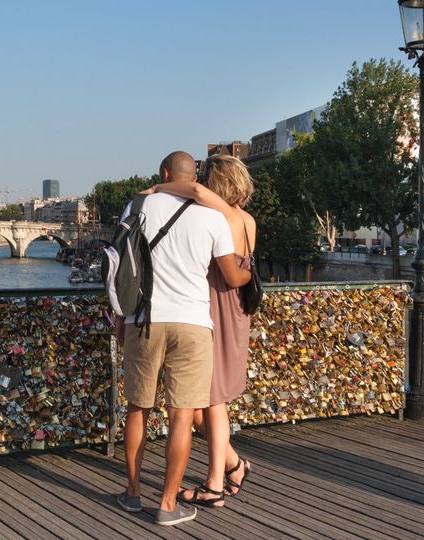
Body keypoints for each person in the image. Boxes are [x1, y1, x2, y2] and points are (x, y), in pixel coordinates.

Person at [116, 151, 252, 527]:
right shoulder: (212, 217)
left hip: (144, 319)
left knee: (137, 409)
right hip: (193, 322)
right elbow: (232, 276)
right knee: (181, 416)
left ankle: (131, 493)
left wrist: (120, 319)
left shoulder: (138, 204)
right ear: (196, 179)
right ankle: (167, 503)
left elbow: (121, 266)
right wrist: (248, 269)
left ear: (163, 173)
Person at [151, 154, 256, 507]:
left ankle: (215, 484)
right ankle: (231, 465)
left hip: (217, 308)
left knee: (210, 401)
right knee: (207, 401)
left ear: (218, 184)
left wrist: (157, 187)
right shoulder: (247, 221)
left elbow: (193, 188)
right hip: (236, 309)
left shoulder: (221, 214)